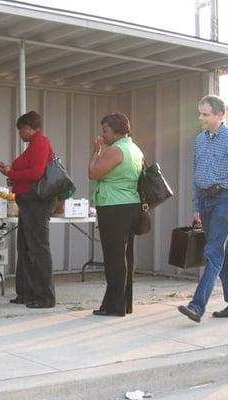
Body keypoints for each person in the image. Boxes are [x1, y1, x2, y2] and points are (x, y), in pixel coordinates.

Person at [178, 95, 228, 323]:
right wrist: (196, 206)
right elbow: (196, 176)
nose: (200, 118)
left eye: (205, 114)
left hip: (225, 199)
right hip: (204, 201)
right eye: (200, 113)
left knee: (212, 251)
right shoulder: (199, 140)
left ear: (220, 115)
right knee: (225, 253)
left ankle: (197, 305)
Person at [0, 111, 56, 308]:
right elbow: (28, 171)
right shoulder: (33, 145)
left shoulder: (40, 143)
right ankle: (26, 292)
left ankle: (45, 296)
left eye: (21, 129)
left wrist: (11, 172)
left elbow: (37, 172)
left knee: (38, 248)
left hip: (37, 202)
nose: (20, 133)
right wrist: (13, 175)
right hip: (28, 202)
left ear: (29, 127)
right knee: (25, 247)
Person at [88, 112, 143, 317]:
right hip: (131, 205)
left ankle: (112, 306)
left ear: (117, 130)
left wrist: (96, 151)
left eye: (106, 130)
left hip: (114, 207)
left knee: (114, 258)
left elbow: (93, 173)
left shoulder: (116, 150)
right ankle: (124, 303)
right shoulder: (134, 148)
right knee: (125, 256)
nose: (103, 135)